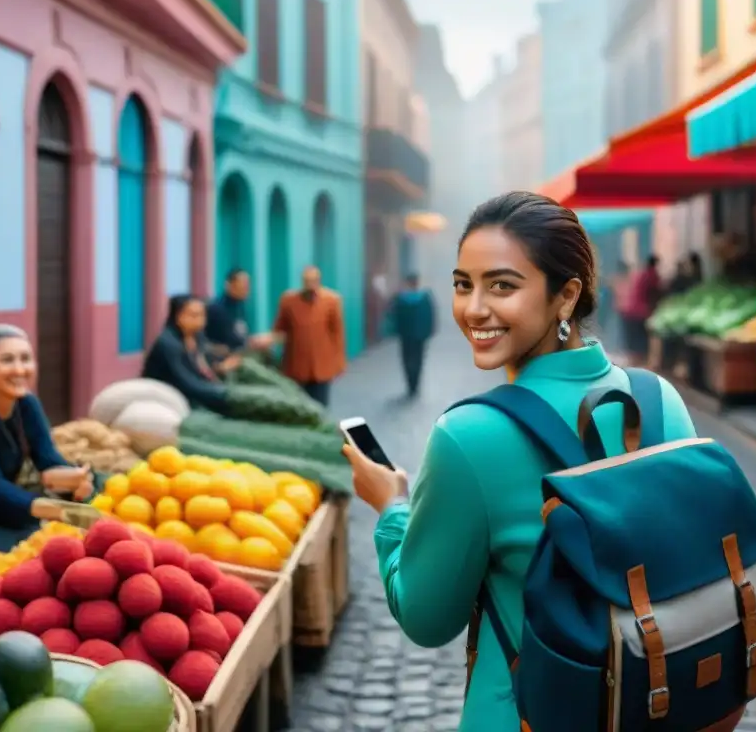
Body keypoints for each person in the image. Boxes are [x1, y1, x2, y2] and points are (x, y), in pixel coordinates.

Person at [342, 191, 697, 730]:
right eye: (464, 284)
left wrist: (393, 508)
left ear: (565, 296)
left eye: (502, 285)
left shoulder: (471, 436)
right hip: (658, 709)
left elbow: (426, 616)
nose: (473, 308)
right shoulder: (658, 400)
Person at [0, 325, 93, 552]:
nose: (20, 369)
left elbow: (48, 459)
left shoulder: (27, 404)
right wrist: (55, 509)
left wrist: (76, 479)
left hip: (2, 510)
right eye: (7, 360)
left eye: (26, 359)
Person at [142, 295, 235, 413]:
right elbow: (188, 384)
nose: (200, 320)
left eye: (202, 315)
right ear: (178, 316)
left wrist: (221, 367)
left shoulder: (198, 337)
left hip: (191, 395)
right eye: (193, 315)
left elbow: (204, 367)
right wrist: (227, 394)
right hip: (165, 399)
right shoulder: (168, 344)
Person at [268, 266, 346, 406]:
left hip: (322, 366)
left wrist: (339, 362)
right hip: (295, 367)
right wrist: (270, 343)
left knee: (320, 406)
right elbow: (279, 328)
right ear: (302, 282)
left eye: (313, 281)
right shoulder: (289, 301)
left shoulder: (331, 301)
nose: (310, 285)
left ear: (319, 281)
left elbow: (337, 334)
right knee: (298, 406)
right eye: (307, 281)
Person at [385, 273, 436, 398]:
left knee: (407, 359)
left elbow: (391, 314)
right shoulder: (425, 298)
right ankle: (415, 385)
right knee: (418, 359)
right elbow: (431, 316)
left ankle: (410, 385)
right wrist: (429, 331)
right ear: (417, 282)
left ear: (407, 283)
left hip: (405, 335)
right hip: (420, 335)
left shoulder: (400, 299)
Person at [205, 268, 267, 357]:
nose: (246, 289)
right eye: (242, 285)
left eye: (247, 285)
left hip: (240, 353)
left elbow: (241, 336)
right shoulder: (217, 309)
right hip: (225, 357)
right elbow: (229, 342)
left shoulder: (241, 306)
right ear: (229, 285)